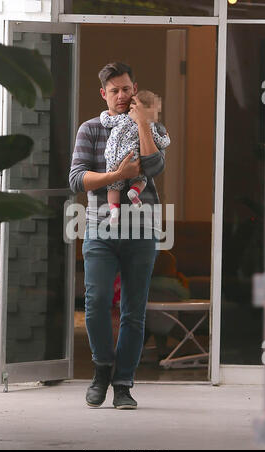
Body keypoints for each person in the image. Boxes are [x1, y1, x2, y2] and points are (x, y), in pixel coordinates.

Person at [69, 62, 169, 409]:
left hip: (142, 229)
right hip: (100, 226)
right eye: (115, 90)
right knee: (96, 303)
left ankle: (123, 383)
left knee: (134, 310)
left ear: (135, 88)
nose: (123, 96)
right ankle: (101, 370)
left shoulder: (149, 124)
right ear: (104, 94)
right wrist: (116, 173)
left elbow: (155, 166)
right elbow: (77, 178)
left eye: (127, 89)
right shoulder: (91, 130)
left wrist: (142, 122)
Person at [100, 90, 170, 225]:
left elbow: (106, 120)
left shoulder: (121, 118)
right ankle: (134, 192)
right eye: (156, 111)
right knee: (141, 178)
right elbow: (160, 141)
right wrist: (167, 139)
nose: (157, 116)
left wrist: (104, 113)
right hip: (131, 157)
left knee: (113, 188)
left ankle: (114, 211)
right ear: (145, 110)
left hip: (111, 157)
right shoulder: (150, 126)